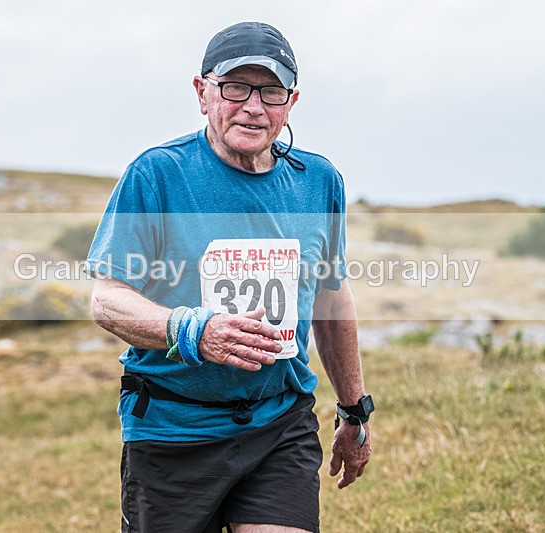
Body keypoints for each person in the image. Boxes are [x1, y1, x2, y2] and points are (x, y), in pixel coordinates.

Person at [87, 21, 373, 533]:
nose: (253, 106)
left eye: (271, 91)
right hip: (174, 430)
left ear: (292, 100)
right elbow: (108, 299)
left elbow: (330, 300)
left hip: (278, 423)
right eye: (234, 87)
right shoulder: (156, 175)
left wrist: (354, 409)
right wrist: (193, 331)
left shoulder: (319, 182)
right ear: (202, 93)